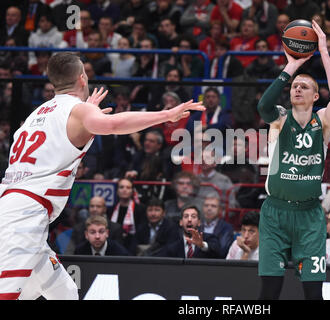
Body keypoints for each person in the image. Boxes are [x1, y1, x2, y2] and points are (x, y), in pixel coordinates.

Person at [0, 52, 204, 300]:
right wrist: (165, 115)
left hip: (16, 206)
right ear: (83, 78)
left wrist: (88, 113)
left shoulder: (36, 114)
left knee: (65, 293)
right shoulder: (78, 113)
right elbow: (114, 125)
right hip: (24, 216)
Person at [256, 20, 330, 300]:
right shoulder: (280, 118)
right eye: (295, 86)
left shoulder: (323, 121)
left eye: (304, 86)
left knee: (313, 292)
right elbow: (263, 106)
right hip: (274, 214)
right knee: (270, 291)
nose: (297, 89)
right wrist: (291, 67)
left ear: (316, 96)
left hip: (309, 217)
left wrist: (324, 52)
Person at [155, 204, 221, 258]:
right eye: (186, 216)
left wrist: (202, 245)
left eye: (193, 216)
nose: (189, 219)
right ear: (181, 222)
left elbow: (218, 253)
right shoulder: (172, 242)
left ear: (199, 222)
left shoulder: (210, 238)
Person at [201, 193, 235, 258]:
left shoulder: (226, 228)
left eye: (213, 206)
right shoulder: (197, 225)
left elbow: (223, 251)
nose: (209, 209)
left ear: (220, 210)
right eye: (206, 205)